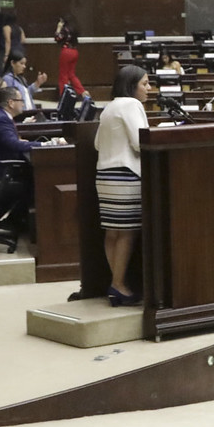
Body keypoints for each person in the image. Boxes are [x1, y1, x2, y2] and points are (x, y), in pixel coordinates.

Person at [95, 66, 151, 306]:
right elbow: (141, 141)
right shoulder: (130, 104)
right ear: (132, 86)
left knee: (112, 232)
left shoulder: (110, 106)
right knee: (126, 232)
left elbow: (98, 143)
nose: (149, 89)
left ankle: (117, 284)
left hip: (105, 175)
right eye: (145, 84)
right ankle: (118, 285)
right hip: (125, 175)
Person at [3, 50, 46, 115]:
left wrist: (38, 83)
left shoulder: (21, 78)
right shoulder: (7, 79)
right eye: (21, 63)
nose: (24, 66)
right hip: (20, 114)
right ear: (12, 63)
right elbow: (10, 99)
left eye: (24, 64)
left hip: (30, 112)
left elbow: (27, 94)